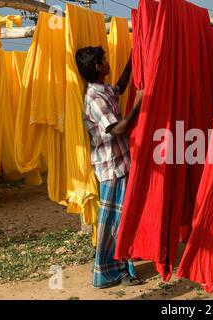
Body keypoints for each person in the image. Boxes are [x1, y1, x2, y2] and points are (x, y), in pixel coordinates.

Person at [75, 45, 143, 289]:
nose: (107, 61)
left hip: (120, 163)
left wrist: (133, 58)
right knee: (112, 223)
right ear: (97, 67)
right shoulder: (94, 99)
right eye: (104, 60)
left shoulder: (103, 90)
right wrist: (138, 104)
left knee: (120, 220)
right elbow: (117, 129)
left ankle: (121, 267)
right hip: (110, 168)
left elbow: (120, 87)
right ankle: (107, 273)